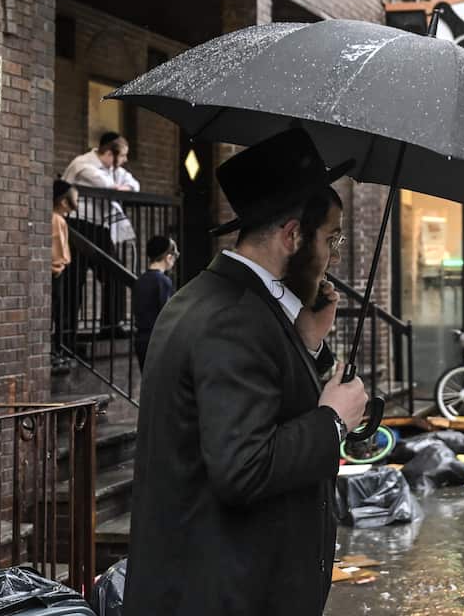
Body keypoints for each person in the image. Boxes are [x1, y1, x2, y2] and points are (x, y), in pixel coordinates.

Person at [125, 127, 368, 616]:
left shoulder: (221, 300)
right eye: (331, 238)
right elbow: (244, 467)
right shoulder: (233, 318)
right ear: (292, 235)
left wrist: (307, 343)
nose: (334, 256)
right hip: (224, 594)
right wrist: (332, 422)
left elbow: (255, 400)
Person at [63, 133, 140, 335]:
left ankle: (111, 325)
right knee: (73, 279)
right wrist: (117, 187)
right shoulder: (83, 164)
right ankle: (67, 332)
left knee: (115, 273)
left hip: (99, 228)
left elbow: (134, 185)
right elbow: (105, 185)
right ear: (108, 153)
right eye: (122, 156)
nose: (124, 161)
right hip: (77, 226)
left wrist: (121, 186)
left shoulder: (112, 169)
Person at [132, 236, 178, 370]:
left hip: (141, 339)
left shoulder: (140, 280)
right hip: (158, 342)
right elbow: (167, 315)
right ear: (168, 257)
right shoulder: (163, 281)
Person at [52, 180, 78, 364]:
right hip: (55, 271)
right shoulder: (57, 219)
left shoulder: (57, 219)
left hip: (56, 270)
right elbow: (57, 247)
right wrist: (59, 265)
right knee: (57, 311)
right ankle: (56, 350)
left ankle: (57, 349)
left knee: (58, 311)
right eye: (74, 197)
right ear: (63, 202)